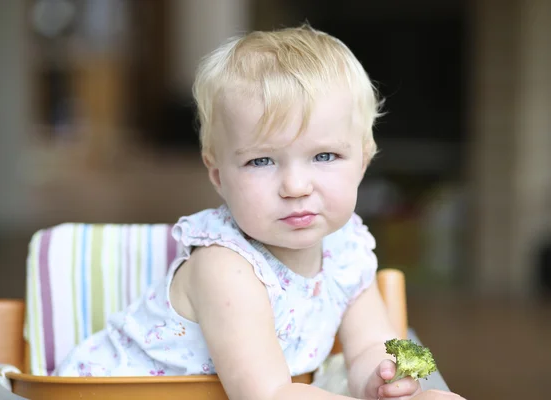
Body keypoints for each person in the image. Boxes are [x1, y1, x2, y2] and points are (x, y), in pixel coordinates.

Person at [55, 25, 463, 400]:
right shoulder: (226, 265)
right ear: (218, 175)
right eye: (262, 161)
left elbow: (376, 342)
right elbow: (268, 394)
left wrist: (397, 378)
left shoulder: (349, 249)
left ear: (364, 160)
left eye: (324, 155)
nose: (296, 187)